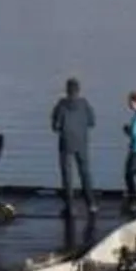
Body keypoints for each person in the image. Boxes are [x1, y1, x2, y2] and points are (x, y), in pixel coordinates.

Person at [50, 77, 96, 212]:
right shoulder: (85, 104)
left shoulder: (61, 105)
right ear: (78, 90)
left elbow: (55, 125)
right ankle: (91, 204)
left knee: (67, 175)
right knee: (85, 173)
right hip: (82, 142)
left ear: (66, 90)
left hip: (66, 142)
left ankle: (70, 206)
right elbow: (92, 122)